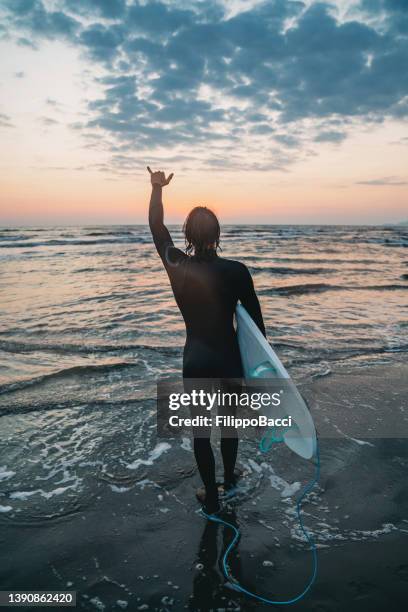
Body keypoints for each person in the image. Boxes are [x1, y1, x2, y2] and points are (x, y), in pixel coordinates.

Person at [148, 167, 265, 514]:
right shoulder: (237, 270)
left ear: (186, 234)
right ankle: (229, 478)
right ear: (217, 233)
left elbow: (157, 229)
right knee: (229, 426)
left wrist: (156, 188)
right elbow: (257, 326)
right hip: (229, 360)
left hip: (195, 359)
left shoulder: (176, 265)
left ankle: (211, 498)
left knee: (201, 432)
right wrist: (257, 370)